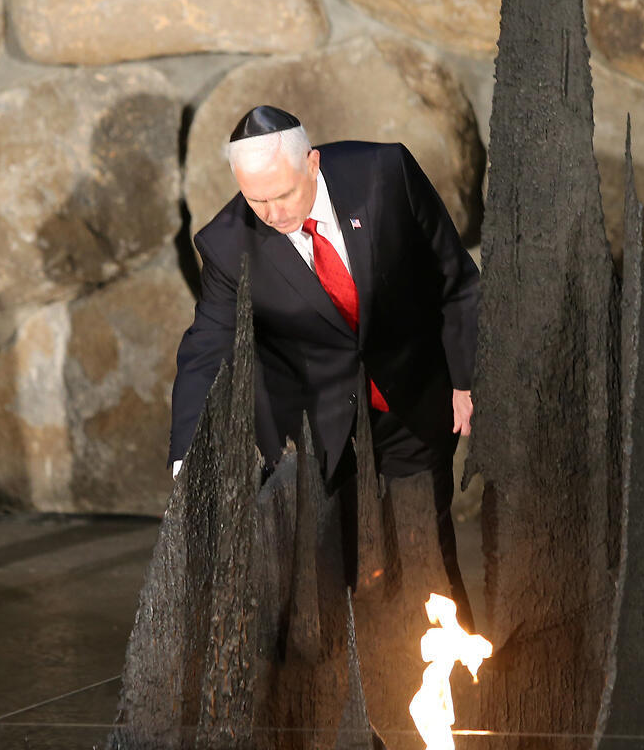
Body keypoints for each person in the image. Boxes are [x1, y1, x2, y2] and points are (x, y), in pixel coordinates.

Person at [168, 105, 479, 625]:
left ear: (312, 164)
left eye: (284, 194)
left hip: (410, 395)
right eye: (255, 198)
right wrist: (186, 461)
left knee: (427, 559)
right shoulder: (225, 245)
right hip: (315, 426)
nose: (272, 212)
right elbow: (206, 348)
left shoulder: (385, 175)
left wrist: (465, 379)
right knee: (331, 585)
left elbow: (453, 277)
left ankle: (456, 692)